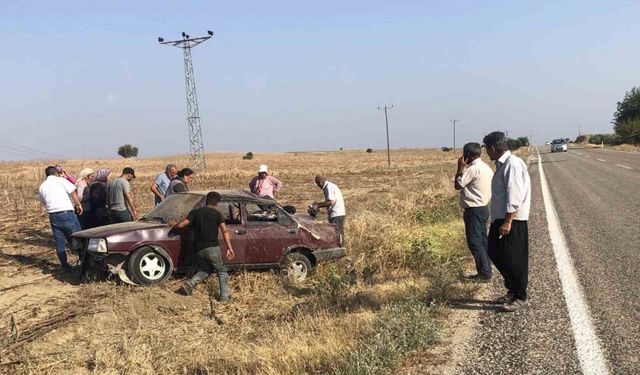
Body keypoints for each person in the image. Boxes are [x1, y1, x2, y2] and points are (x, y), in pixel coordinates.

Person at [483, 131, 531, 312]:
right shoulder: (503, 165)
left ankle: (520, 296)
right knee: (494, 252)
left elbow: (515, 195)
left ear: (493, 148)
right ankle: (512, 289)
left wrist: (508, 221)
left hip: (512, 219)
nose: (486, 153)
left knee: (514, 259)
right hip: (501, 218)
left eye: (487, 149)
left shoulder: (512, 165)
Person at [173, 191, 235, 300]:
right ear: (217, 203)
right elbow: (225, 231)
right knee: (221, 271)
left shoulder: (195, 212)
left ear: (206, 201)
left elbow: (182, 224)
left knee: (208, 269)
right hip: (212, 248)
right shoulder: (217, 214)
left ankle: (190, 283)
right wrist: (229, 248)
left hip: (198, 249)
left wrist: (173, 225)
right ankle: (225, 297)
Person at [454, 143, 494, 282]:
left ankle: (484, 273)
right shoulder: (485, 167)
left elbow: (458, 185)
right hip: (483, 208)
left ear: (467, 155)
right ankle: (487, 268)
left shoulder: (473, 169)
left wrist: (460, 167)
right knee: (483, 241)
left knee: (475, 242)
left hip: (474, 210)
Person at [38, 166, 83, 270]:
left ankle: (64, 265)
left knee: (59, 241)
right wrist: (78, 204)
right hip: (66, 213)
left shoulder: (42, 186)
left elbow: (44, 201)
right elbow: (73, 192)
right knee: (78, 237)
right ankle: (84, 260)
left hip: (53, 215)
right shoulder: (61, 181)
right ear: (56, 173)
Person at [313, 174, 346, 243]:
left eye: (317, 184)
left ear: (320, 182)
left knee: (337, 235)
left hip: (336, 214)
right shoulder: (330, 186)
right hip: (338, 213)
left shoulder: (328, 187)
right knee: (337, 234)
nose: (318, 186)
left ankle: (341, 249)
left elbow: (331, 202)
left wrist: (318, 205)